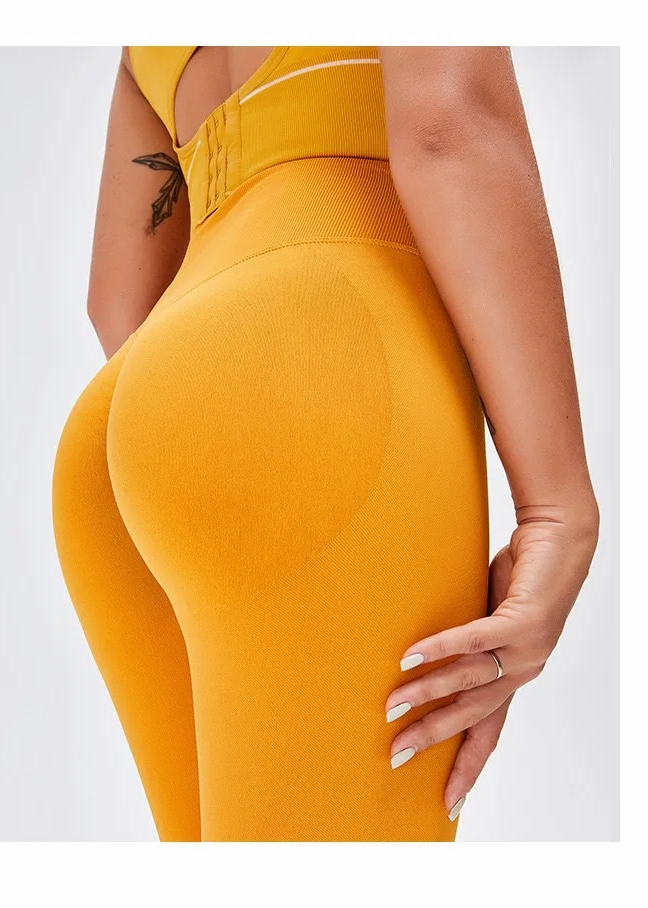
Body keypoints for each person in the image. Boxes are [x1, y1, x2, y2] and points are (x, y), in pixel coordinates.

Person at [51, 46, 599, 842]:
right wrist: (556, 507)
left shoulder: (142, 49)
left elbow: (117, 298)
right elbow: (447, 124)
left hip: (123, 422)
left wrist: (201, 447)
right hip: (324, 357)